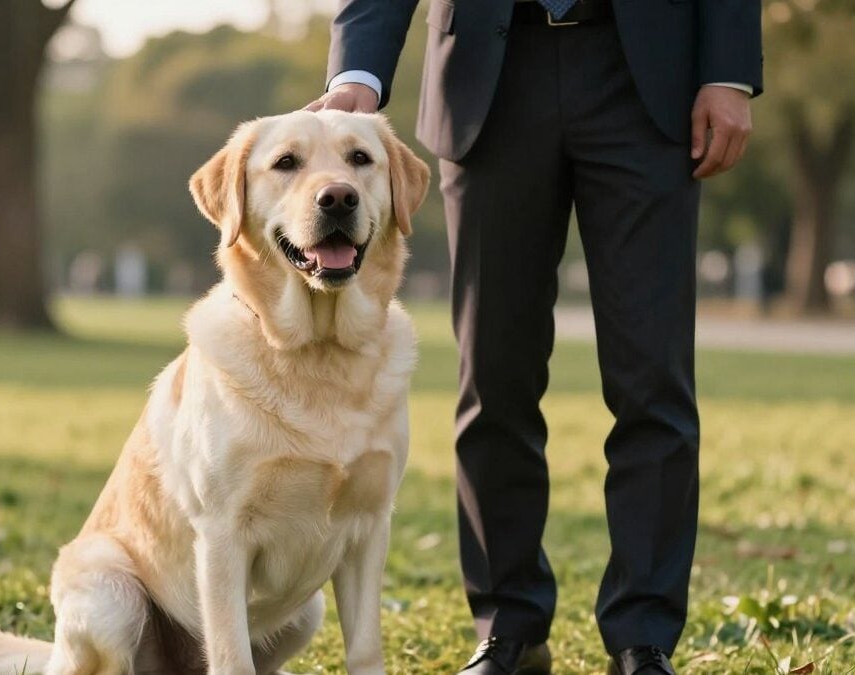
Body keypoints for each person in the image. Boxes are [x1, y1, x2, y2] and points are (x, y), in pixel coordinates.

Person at [306, 0, 762, 673]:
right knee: (493, 377)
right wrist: (361, 71)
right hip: (488, 75)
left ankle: (645, 637)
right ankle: (508, 627)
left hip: (645, 77)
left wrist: (728, 69)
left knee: (652, 382)